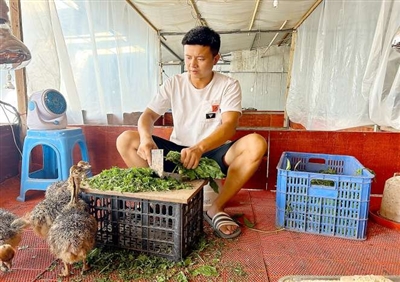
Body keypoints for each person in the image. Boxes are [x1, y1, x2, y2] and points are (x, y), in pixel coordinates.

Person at [116, 26, 267, 239]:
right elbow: (147, 116)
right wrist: (146, 138)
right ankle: (163, 201)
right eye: (187, 58)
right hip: (177, 153)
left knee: (256, 144)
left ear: (216, 59)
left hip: (212, 152)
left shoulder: (228, 85)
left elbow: (229, 125)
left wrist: (199, 148)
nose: (192, 65)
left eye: (200, 59)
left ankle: (216, 208)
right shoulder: (174, 83)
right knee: (126, 140)